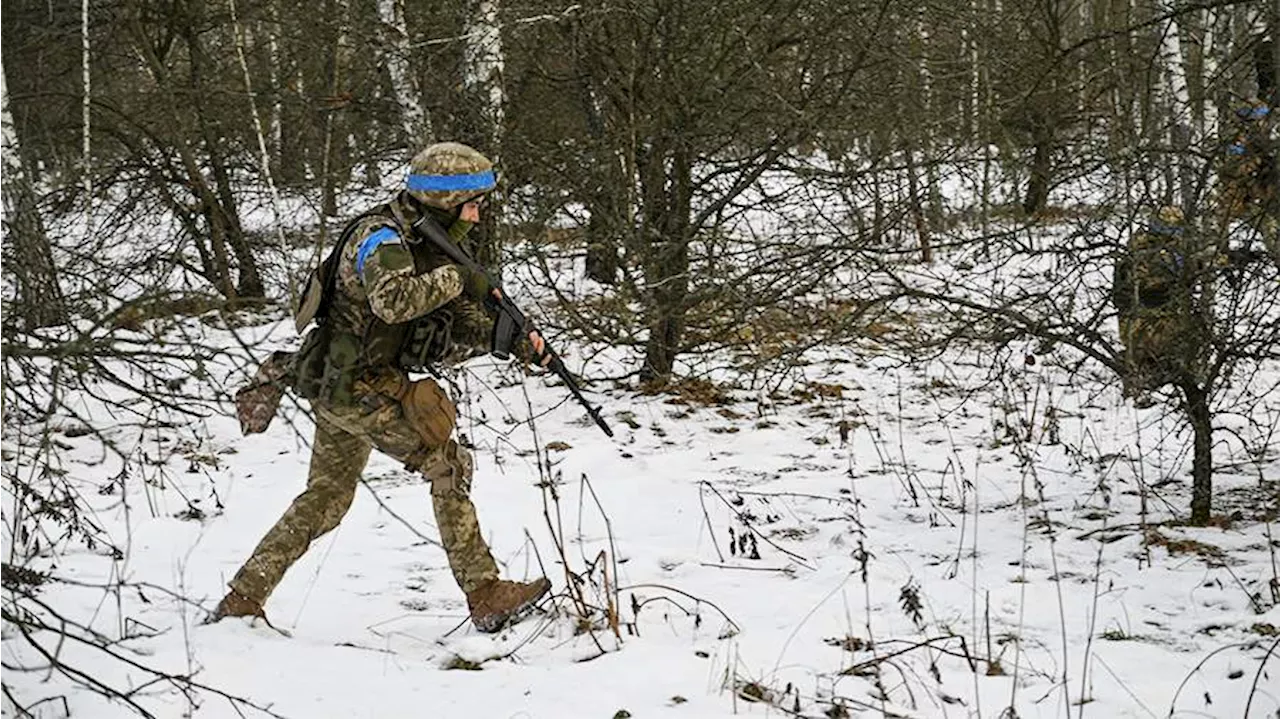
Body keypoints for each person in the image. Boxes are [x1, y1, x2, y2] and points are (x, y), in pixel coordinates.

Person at [214, 142, 551, 633]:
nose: (478, 215)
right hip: (356, 390)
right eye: (472, 203)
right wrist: (459, 278)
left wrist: (512, 340)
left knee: (326, 499)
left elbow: (451, 319)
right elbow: (395, 302)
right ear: (443, 201)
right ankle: (485, 593)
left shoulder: (424, 238)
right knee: (446, 464)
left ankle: (243, 597)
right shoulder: (382, 239)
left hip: (341, 386)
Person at [1112, 205, 1210, 408]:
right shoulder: (1148, 253)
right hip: (1144, 324)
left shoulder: (1156, 250)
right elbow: (1159, 285)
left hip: (1144, 323)